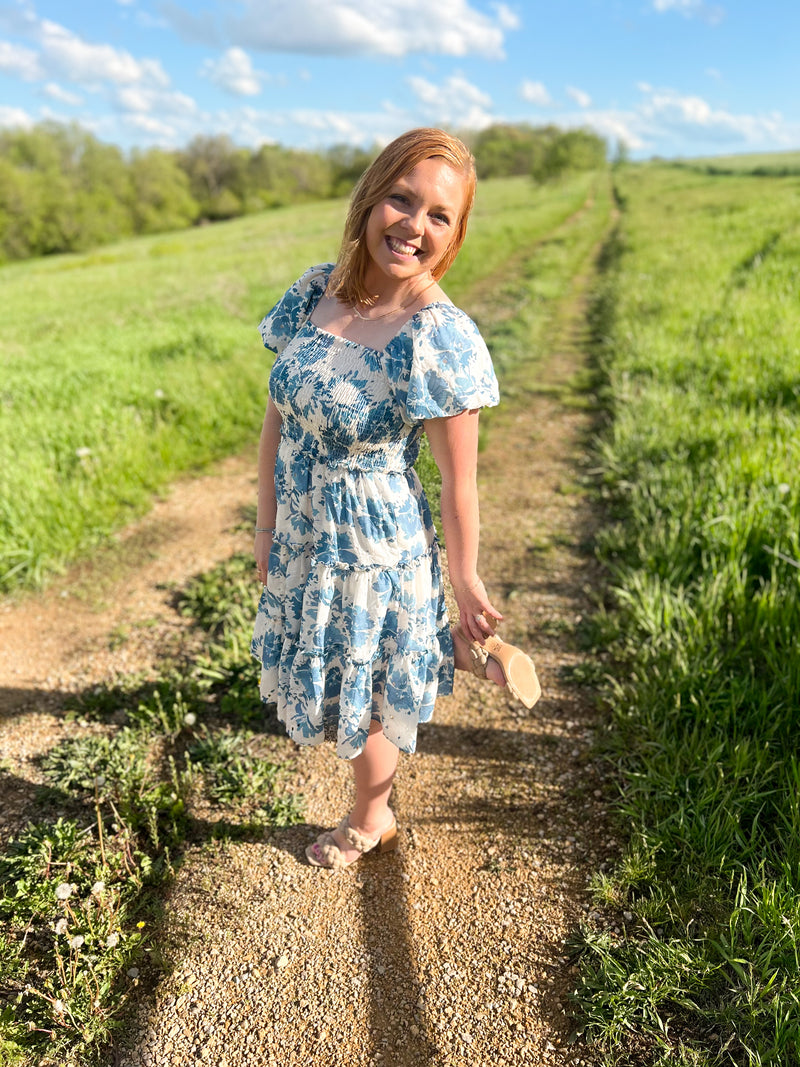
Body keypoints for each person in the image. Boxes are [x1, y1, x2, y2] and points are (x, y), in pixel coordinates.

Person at [251, 128, 540, 870]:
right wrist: (268, 524)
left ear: (455, 234)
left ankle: (371, 816)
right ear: (371, 198)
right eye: (402, 199)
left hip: (373, 546)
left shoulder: (438, 336)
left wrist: (467, 577)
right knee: (352, 666)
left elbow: (458, 480)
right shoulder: (318, 290)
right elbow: (277, 413)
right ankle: (469, 653)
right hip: (306, 529)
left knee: (368, 692)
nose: (414, 225)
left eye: (439, 215)